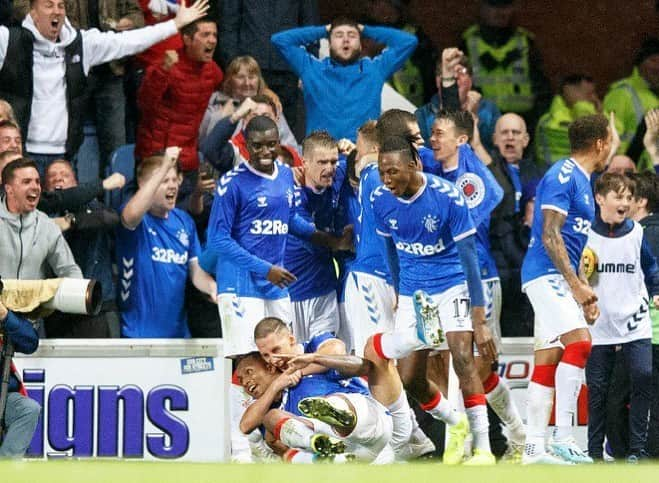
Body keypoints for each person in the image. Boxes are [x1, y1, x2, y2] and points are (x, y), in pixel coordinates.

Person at [370, 134, 497, 465]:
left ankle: (482, 448)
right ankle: (455, 423)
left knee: (462, 357)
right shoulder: (380, 200)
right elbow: (390, 251)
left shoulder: (447, 196)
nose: (387, 179)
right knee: (410, 377)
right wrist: (400, 292)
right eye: (382, 172)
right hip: (415, 292)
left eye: (393, 172)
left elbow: (470, 258)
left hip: (453, 284)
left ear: (414, 165)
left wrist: (479, 319)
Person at [0, 0, 209, 170]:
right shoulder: (9, 40)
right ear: (33, 13)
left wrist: (175, 24)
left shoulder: (82, 44)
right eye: (48, 5)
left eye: (61, 6)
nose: (56, 11)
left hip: (63, 158)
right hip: (21, 153)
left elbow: (130, 40)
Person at [428, 109, 527, 459]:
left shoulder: (473, 179)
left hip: (479, 278)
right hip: (443, 280)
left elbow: (487, 202)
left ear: (461, 140)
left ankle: (516, 432)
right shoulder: (435, 171)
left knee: (479, 367)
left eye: (439, 133)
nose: (432, 140)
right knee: (448, 364)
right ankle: (470, 443)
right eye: (431, 133)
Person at [520, 113, 617, 464]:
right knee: (579, 344)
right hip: (544, 275)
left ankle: (533, 449)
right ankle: (563, 436)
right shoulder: (564, 174)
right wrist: (577, 287)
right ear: (600, 144)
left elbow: (573, 245)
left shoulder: (584, 179)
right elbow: (549, 234)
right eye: (610, 140)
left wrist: (584, 290)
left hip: (561, 278)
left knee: (547, 359)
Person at [584, 172, 659, 463]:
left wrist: (656, 289)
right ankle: (593, 452)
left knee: (643, 375)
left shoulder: (638, 233)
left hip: (635, 322)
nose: (625, 202)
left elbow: (651, 268)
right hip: (600, 324)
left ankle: (637, 451)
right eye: (619, 196)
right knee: (598, 389)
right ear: (600, 199)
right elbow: (575, 274)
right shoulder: (586, 234)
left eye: (629, 197)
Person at [246, 318, 392, 463]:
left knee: (334, 401)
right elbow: (246, 425)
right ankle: (320, 447)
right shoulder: (275, 396)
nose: (273, 359)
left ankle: (337, 414)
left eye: (276, 350)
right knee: (272, 418)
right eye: (265, 355)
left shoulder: (314, 350)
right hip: (342, 447)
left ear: (291, 339)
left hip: (367, 426)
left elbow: (338, 351)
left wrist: (303, 367)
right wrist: (277, 384)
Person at [115, 148, 216, 338]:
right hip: (137, 334)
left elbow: (196, 272)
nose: (172, 186)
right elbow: (130, 216)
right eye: (164, 181)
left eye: (173, 180)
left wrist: (213, 288)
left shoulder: (184, 221)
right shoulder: (137, 219)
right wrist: (165, 166)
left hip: (178, 336)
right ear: (145, 185)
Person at [271, 16, 417, 141]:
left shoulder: (374, 70)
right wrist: (323, 30)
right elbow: (279, 40)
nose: (346, 40)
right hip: (321, 155)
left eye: (352, 35)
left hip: (362, 156)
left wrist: (366, 30)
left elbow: (408, 41)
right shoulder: (311, 69)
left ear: (361, 45)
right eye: (339, 35)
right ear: (328, 43)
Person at [476, 113, 545, 337]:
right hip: (496, 257)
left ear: (526, 140)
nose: (510, 138)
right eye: (505, 133)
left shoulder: (539, 172)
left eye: (516, 133)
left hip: (529, 255)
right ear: (494, 139)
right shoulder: (484, 171)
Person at [42, 160, 122, 338]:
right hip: (58, 308)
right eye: (52, 177)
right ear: (45, 188)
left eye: (65, 175)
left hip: (98, 306)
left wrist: (72, 221)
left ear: (77, 183)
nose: (59, 179)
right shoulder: (41, 215)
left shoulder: (92, 207)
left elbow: (112, 218)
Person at [285, 131, 352, 341]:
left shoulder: (339, 174)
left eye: (333, 161)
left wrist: (355, 152)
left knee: (328, 350)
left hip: (325, 291)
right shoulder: (293, 195)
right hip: (292, 295)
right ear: (305, 162)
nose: (329, 168)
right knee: (294, 359)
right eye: (322, 162)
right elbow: (313, 240)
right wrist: (340, 243)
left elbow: (372, 155)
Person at [136, 16, 223, 176]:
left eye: (214, 35)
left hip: (188, 159)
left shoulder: (213, 71)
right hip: (157, 159)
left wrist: (265, 91)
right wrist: (162, 71)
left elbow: (236, 86)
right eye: (205, 35)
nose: (212, 40)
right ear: (187, 39)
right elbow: (144, 105)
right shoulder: (165, 65)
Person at [218, 1, 319, 136]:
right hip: (249, 72)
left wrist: (309, 69)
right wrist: (233, 66)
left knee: (284, 132)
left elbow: (310, 27)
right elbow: (228, 26)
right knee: (244, 125)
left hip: (287, 71)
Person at [460, 0, 551, 131]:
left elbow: (541, 87)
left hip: (523, 122)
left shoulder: (525, 42)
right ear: (483, 8)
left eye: (505, 6)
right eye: (494, 5)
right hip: (482, 123)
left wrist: (536, 119)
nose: (500, 12)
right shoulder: (468, 43)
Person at [0, 158, 82, 280]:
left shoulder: (47, 226)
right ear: (9, 189)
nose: (35, 187)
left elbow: (69, 269)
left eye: (37, 182)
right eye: (26, 182)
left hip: (34, 299)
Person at [199, 55, 298, 150]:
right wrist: (222, 116)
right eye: (240, 77)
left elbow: (291, 148)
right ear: (229, 81)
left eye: (251, 77)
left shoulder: (270, 107)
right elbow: (204, 146)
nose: (247, 83)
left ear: (259, 81)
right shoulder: (214, 106)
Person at [416, 48, 500, 153]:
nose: (455, 76)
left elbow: (496, 153)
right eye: (448, 73)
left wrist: (473, 119)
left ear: (470, 80)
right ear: (438, 81)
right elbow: (425, 154)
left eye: (461, 72)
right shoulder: (423, 115)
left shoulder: (488, 110)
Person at [604, 38, 659, 161]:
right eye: (653, 60)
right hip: (630, 173)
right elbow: (609, 139)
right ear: (640, 64)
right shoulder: (622, 93)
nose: (657, 67)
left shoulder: (654, 94)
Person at [0, 301, 40, 458]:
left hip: (3, 397)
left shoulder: (4, 315)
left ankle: (5, 472)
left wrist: (5, 315)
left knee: (28, 409)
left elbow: (31, 343)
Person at [535, 74, 602, 165]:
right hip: (553, 174)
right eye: (589, 94)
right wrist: (582, 106)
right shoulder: (551, 121)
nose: (594, 98)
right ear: (569, 91)